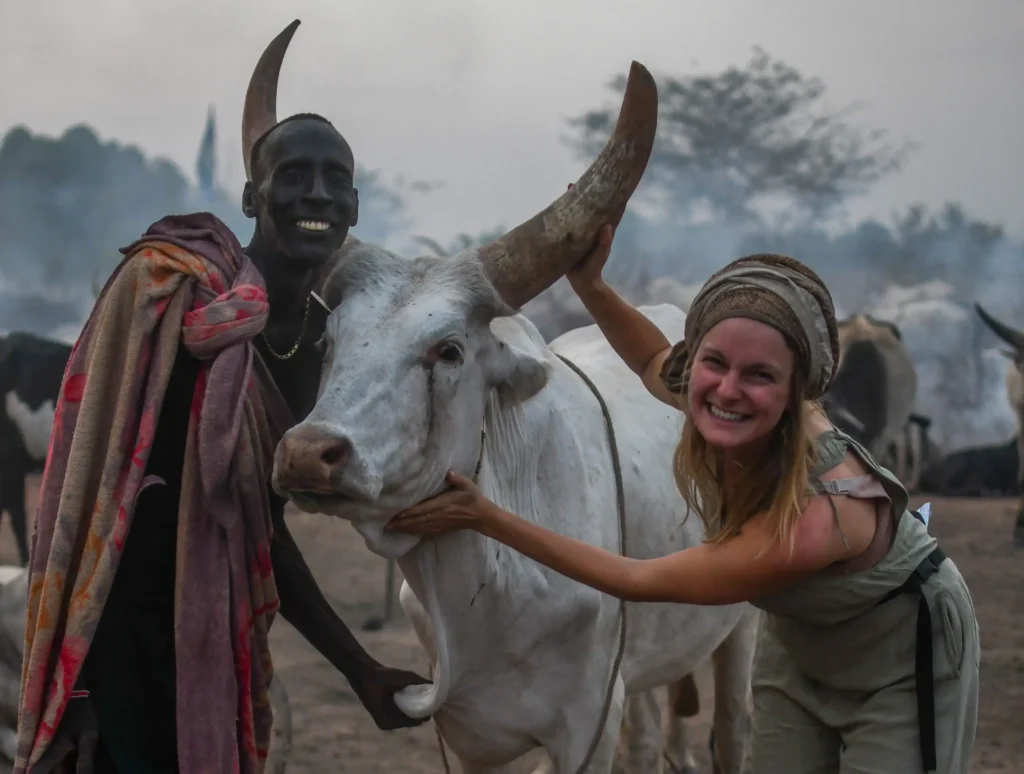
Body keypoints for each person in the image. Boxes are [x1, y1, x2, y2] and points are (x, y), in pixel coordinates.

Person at [387, 224, 981, 773]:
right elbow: (649, 357)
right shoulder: (729, 407)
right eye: (712, 363)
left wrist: (488, 517)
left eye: (759, 376)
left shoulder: (823, 513)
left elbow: (637, 581)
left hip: (898, 658)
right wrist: (587, 280)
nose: (727, 390)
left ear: (796, 391)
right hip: (800, 644)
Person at [15, 21, 428, 774]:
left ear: (356, 207)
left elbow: (259, 532)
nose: (316, 193)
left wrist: (359, 668)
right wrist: (75, 687)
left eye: (335, 179)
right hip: (113, 649)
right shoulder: (169, 292)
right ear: (251, 193)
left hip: (215, 643)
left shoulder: (320, 344)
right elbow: (85, 497)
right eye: (294, 173)